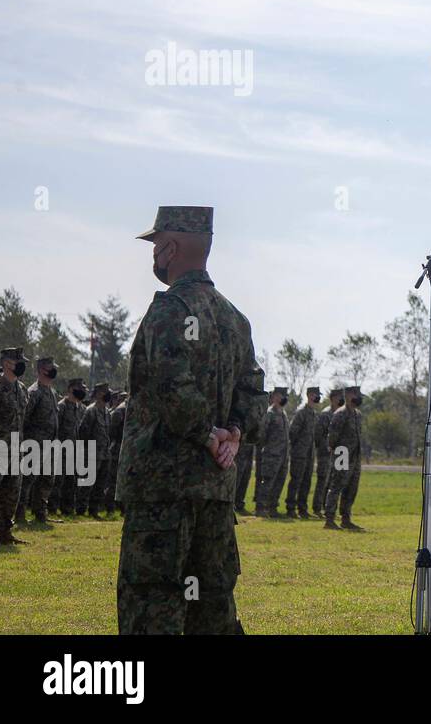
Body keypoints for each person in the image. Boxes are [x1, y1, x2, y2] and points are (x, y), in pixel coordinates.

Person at [116, 204, 265, 634]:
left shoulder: (168, 309)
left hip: (163, 493)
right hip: (215, 494)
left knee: (153, 605)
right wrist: (233, 435)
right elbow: (254, 391)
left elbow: (170, 387)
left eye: (157, 246)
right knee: (212, 608)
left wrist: (207, 434)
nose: (154, 256)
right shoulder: (234, 319)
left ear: (170, 247)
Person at [17, 355, 60, 526]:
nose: (54, 370)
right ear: (42, 370)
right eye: (51, 367)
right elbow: (25, 418)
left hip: (50, 444)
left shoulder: (52, 392)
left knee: (47, 479)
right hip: (34, 443)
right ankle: (19, 514)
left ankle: (40, 513)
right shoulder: (34, 392)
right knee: (28, 479)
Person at [0, 348, 30, 544]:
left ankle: (4, 533)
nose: (22, 365)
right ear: (7, 363)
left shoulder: (22, 389)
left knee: (11, 493)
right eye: (18, 361)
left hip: (16, 450)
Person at [325, 385, 364, 530]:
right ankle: (329, 518)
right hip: (342, 454)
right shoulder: (340, 414)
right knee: (337, 485)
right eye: (355, 395)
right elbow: (332, 436)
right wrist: (335, 451)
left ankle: (346, 518)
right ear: (347, 395)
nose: (358, 398)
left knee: (352, 488)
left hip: (355, 456)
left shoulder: (357, 415)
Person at [50, 377, 86, 516]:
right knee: (58, 481)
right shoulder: (62, 406)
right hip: (61, 450)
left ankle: (67, 509)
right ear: (71, 389)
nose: (82, 391)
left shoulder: (81, 408)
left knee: (71, 482)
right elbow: (56, 428)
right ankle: (52, 508)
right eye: (80, 388)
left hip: (75, 450)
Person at [76, 383, 112, 518]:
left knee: (100, 483)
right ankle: (80, 509)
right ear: (98, 394)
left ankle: (94, 510)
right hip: (92, 452)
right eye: (105, 391)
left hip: (104, 453)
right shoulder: (91, 411)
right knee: (87, 482)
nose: (107, 394)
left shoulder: (107, 412)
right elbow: (83, 431)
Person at [254, 388, 290, 518]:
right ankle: (260, 508)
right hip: (272, 454)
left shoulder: (283, 414)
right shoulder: (270, 413)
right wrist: (268, 448)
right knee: (267, 481)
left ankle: (272, 508)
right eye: (282, 395)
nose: (284, 398)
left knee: (279, 482)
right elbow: (262, 434)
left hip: (283, 455)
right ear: (274, 396)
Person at [285, 386, 319, 518]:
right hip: (299, 453)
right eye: (315, 394)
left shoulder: (313, 413)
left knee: (306, 481)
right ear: (310, 395)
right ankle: (290, 509)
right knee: (296, 480)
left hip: (309, 454)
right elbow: (293, 432)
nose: (317, 397)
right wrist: (297, 448)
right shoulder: (302, 412)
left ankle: (302, 509)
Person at [312, 388, 341, 518]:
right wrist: (325, 447)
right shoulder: (326, 414)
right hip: (326, 453)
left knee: (334, 482)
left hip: (339, 454)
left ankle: (328, 508)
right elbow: (318, 434)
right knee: (322, 481)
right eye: (339, 397)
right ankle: (317, 508)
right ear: (333, 398)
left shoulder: (341, 414)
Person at [103, 390, 128, 515]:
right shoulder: (120, 411)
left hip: (128, 449)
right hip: (117, 448)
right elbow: (112, 432)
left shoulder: (132, 409)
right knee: (113, 479)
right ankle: (110, 508)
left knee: (125, 479)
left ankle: (124, 508)